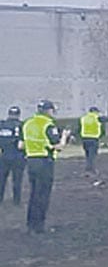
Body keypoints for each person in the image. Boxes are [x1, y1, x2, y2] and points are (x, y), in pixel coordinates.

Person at [23, 100, 69, 234]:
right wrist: (64, 137)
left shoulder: (28, 123)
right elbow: (58, 146)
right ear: (48, 111)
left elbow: (22, 144)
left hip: (31, 160)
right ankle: (39, 226)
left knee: (33, 194)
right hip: (44, 161)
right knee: (43, 195)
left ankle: (30, 224)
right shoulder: (48, 125)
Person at [79, 106, 108, 177]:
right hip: (93, 139)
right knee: (92, 156)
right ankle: (90, 171)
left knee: (88, 155)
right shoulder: (96, 117)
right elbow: (107, 119)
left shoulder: (83, 118)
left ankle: (88, 170)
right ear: (95, 112)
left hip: (85, 139)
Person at [0, 106, 25, 206]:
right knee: (17, 180)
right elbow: (20, 145)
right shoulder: (21, 126)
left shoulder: (2, 125)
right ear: (18, 115)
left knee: (1, 179)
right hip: (17, 157)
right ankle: (16, 201)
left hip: (3, 156)